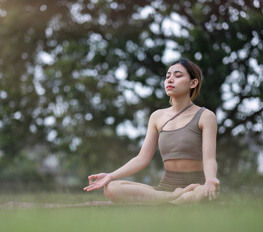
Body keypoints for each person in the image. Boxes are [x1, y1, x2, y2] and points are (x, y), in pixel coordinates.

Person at [83, 58, 220, 204]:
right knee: (111, 188)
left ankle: (173, 199)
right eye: (168, 77)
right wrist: (110, 176)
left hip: (196, 186)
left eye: (178, 76)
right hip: (166, 188)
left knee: (204, 192)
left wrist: (211, 178)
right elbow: (142, 158)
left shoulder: (206, 116)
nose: (170, 80)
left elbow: (209, 158)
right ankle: (173, 198)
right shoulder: (157, 116)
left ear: (193, 83)